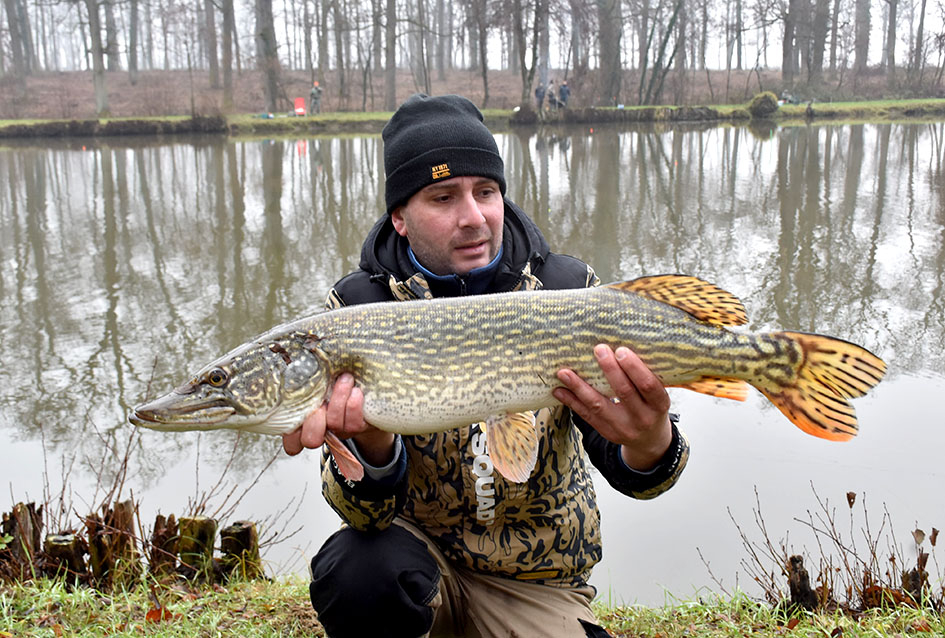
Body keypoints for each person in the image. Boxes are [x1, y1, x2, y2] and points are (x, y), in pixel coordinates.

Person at [282, 93, 690, 638]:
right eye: (443, 197)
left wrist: (650, 441)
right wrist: (374, 449)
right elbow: (364, 519)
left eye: (486, 192)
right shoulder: (359, 309)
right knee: (355, 570)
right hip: (420, 570)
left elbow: (638, 476)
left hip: (537, 582)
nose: (473, 218)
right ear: (400, 217)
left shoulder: (567, 290)